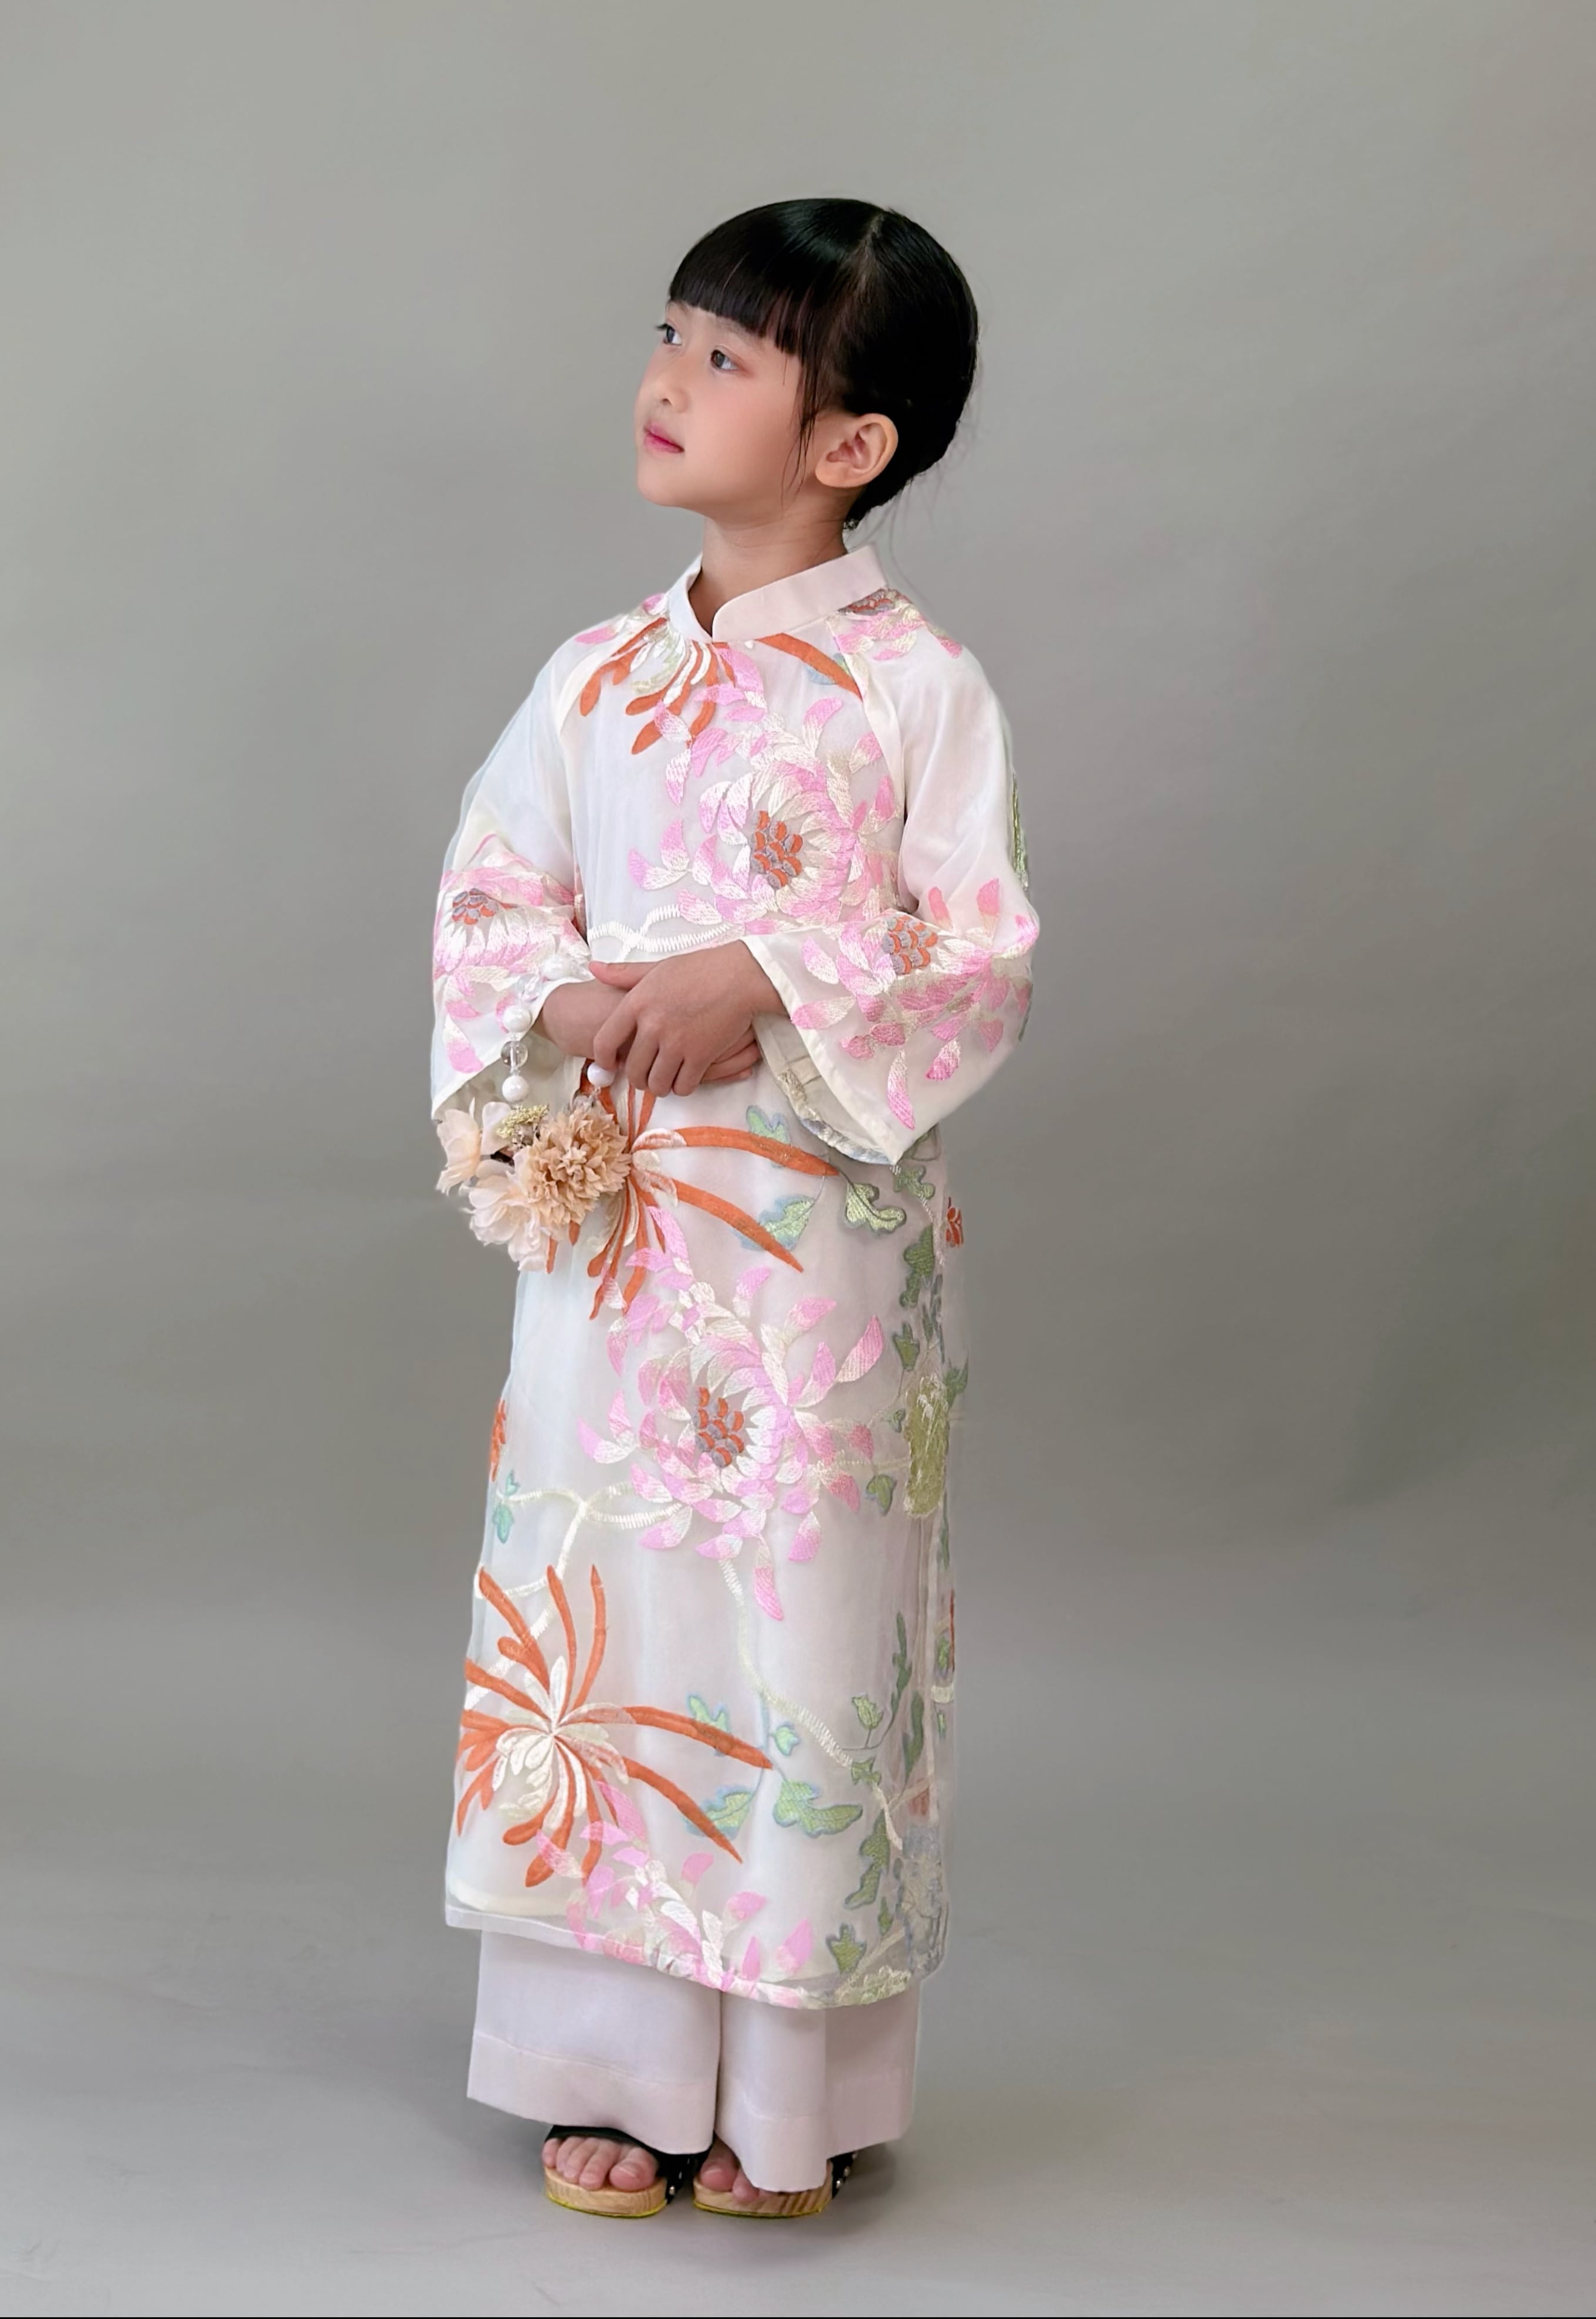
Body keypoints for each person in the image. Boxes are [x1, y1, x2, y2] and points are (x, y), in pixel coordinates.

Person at [429, 198, 1039, 2219]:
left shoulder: (916, 688)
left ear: (850, 442)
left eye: (728, 357)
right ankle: (607, 2061)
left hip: (816, 1272)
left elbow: (978, 952)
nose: (668, 379)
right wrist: (578, 1002)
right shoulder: (594, 675)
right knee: (613, 1619)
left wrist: (759, 976)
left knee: (803, 1629)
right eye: (671, 335)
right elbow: (490, 893)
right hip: (621, 1241)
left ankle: (786, 2092)